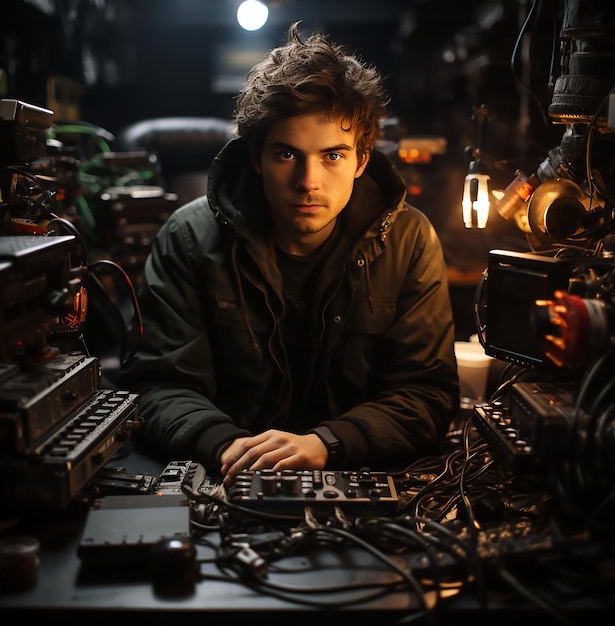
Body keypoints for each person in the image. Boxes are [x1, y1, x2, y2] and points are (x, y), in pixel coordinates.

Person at [120, 22, 460, 487]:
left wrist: (328, 442)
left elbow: (425, 394)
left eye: (333, 156)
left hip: (360, 483)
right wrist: (224, 443)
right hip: (224, 479)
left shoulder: (409, 241)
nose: (308, 181)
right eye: (287, 155)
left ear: (362, 160)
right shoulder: (188, 238)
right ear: (256, 156)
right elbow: (159, 384)